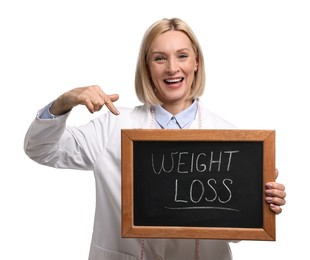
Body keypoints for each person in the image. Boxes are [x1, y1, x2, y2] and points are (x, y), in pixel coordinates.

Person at [24, 17, 286, 260]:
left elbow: (235, 226)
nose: (172, 68)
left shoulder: (232, 139)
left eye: (182, 56)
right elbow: (40, 149)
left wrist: (260, 203)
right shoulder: (111, 127)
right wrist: (63, 103)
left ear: (196, 62)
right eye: (160, 58)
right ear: (147, 67)